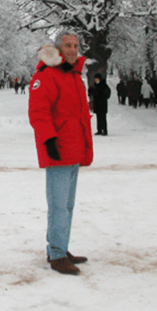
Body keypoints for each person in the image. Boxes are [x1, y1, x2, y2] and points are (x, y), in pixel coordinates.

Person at [28, 32, 94, 276]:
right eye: (68, 45)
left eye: (76, 45)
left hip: (74, 148)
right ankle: (56, 253)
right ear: (57, 49)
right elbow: (38, 112)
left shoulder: (74, 76)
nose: (73, 49)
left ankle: (60, 247)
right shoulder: (46, 76)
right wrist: (49, 140)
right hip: (58, 149)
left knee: (68, 204)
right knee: (58, 205)